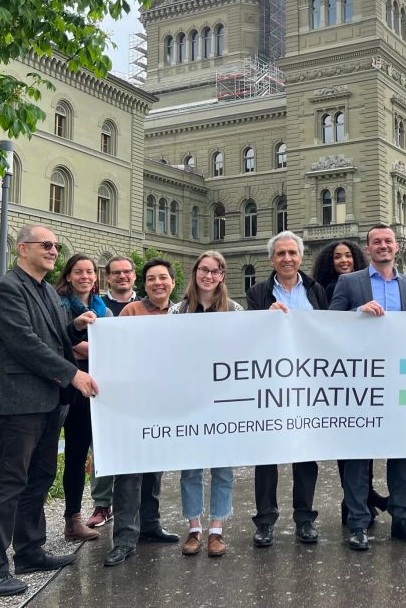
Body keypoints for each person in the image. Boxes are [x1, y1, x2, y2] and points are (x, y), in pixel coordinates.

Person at [0, 225, 99, 597]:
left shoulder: (47, 289)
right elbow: (24, 343)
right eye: (46, 245)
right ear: (22, 248)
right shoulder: (7, 288)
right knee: (10, 482)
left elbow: (54, 336)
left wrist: (75, 326)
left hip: (48, 401)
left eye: (56, 246)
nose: (53, 250)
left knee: (41, 477)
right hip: (18, 403)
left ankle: (29, 551)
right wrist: (73, 374)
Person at [329, 224, 406, 551]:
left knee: (400, 454)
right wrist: (356, 311)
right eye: (377, 242)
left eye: (388, 241)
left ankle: (401, 518)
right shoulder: (349, 282)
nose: (383, 246)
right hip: (362, 380)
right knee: (359, 455)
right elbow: (329, 323)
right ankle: (358, 523)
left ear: (397, 246)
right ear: (369, 247)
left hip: (400, 378)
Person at [247, 232, 327, 547]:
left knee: (306, 455)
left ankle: (305, 519)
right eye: (280, 253)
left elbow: (329, 330)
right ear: (272, 259)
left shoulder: (316, 290)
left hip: (309, 384)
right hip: (271, 384)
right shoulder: (258, 292)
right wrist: (263, 320)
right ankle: (265, 521)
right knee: (267, 455)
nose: (287, 259)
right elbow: (250, 335)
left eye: (292, 253)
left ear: (300, 257)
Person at [104, 259, 181, 566]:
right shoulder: (131, 311)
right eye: (151, 278)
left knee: (154, 468)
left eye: (163, 277)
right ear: (144, 284)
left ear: (173, 283)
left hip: (166, 402)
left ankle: (150, 526)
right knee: (129, 470)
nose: (158, 283)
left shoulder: (182, 314)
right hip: (134, 402)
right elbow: (115, 351)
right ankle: (124, 538)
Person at [170, 251, 243, 557]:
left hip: (223, 400)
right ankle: (194, 528)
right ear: (195, 272)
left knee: (223, 468)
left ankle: (216, 531)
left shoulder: (235, 310)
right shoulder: (178, 311)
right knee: (191, 468)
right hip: (189, 399)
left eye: (215, 271)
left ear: (222, 276)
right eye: (203, 270)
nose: (208, 276)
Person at [311, 239, 387, 524]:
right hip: (344, 371)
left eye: (348, 256)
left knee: (364, 441)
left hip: (370, 369)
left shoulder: (365, 283)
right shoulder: (329, 288)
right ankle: (356, 502)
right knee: (350, 443)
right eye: (337, 257)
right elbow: (330, 324)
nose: (343, 261)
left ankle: (364, 497)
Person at [54, 255, 112, 542]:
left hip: (99, 389)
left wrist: (80, 347)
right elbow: (58, 345)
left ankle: (90, 512)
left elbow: (113, 346)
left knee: (94, 453)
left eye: (90, 271)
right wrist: (78, 344)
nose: (85, 276)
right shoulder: (58, 304)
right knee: (74, 456)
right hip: (69, 389)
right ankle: (72, 519)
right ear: (68, 275)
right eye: (79, 271)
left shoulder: (102, 308)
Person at [87, 255, 138, 529]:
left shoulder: (144, 304)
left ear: (134, 276)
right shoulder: (98, 305)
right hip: (104, 389)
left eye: (126, 272)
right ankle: (102, 504)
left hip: (138, 387)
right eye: (116, 273)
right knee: (103, 448)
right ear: (107, 277)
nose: (122, 276)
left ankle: (137, 511)